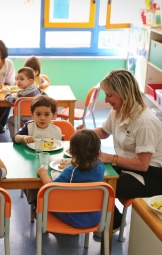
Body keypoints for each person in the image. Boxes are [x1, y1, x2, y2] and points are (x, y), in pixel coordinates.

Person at [89, 69, 162, 234]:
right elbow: (104, 131)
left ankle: (114, 221)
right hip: (127, 165)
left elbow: (143, 165)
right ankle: (113, 219)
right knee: (89, 174)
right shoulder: (117, 111)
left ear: (124, 93)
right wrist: (84, 134)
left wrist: (111, 158)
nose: (106, 100)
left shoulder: (145, 122)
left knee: (101, 187)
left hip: (150, 176)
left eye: (109, 95)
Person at [37, 129, 105, 228]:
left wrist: (43, 173)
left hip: (74, 218)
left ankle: (39, 221)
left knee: (43, 199)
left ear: (72, 152)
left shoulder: (71, 171)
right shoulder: (101, 167)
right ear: (98, 150)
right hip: (95, 218)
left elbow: (50, 187)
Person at [13, 95, 62, 206]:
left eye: (47, 114)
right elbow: (15, 138)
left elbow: (62, 147)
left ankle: (51, 201)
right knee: (30, 180)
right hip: (31, 160)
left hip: (50, 162)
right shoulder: (29, 127)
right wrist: (23, 137)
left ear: (53, 115)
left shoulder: (56, 130)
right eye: (38, 114)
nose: (42, 118)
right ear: (32, 114)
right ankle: (35, 204)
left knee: (54, 178)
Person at [5, 67, 46, 140]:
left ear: (30, 81)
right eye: (17, 79)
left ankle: (15, 138)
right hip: (36, 118)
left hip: (23, 119)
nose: (18, 81)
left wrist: (8, 95)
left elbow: (12, 100)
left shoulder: (21, 95)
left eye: (21, 79)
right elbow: (44, 94)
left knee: (10, 120)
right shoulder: (36, 88)